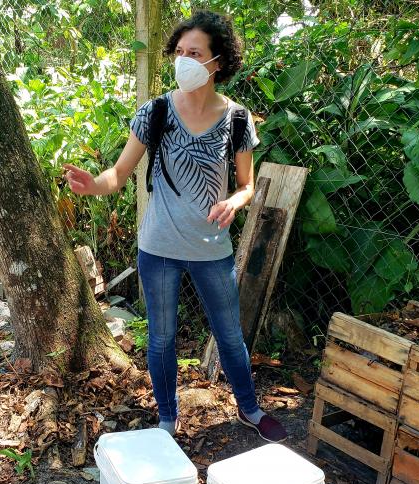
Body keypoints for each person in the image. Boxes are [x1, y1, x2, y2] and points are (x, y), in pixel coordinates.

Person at [63, 10, 288, 443]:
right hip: (159, 247)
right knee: (162, 339)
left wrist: (235, 203)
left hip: (212, 249)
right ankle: (167, 418)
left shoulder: (238, 119)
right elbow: (118, 175)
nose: (183, 60)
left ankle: (251, 409)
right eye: (180, 52)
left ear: (217, 62)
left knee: (229, 336)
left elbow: (247, 185)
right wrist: (93, 185)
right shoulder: (157, 112)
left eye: (195, 53)